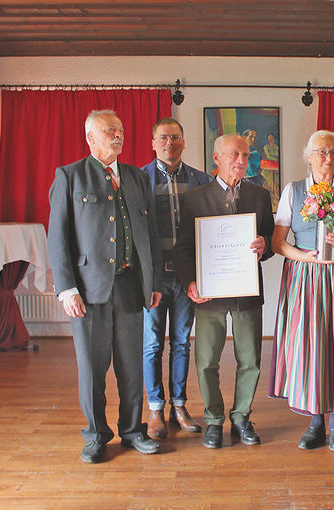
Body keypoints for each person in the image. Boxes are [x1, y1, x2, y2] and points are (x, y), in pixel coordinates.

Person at [48, 109, 163, 463]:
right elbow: (58, 237)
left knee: (131, 365)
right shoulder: (70, 176)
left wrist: (153, 281)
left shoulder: (135, 177)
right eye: (110, 130)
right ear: (90, 138)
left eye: (121, 130)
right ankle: (96, 435)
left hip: (130, 286)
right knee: (93, 367)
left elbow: (150, 232)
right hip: (88, 291)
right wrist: (66, 288)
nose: (118, 135)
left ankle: (132, 430)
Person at [269, 130, 334, 452]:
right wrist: (304, 256)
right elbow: (278, 243)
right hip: (304, 277)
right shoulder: (293, 191)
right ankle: (315, 422)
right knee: (310, 347)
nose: (327, 158)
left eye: (332, 152)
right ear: (309, 156)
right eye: (320, 152)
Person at [173, 134, 275, 449]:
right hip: (209, 294)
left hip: (246, 292)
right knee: (206, 361)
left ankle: (242, 417)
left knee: (251, 360)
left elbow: (270, 240)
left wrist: (264, 245)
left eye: (245, 155)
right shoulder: (195, 197)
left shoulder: (259, 195)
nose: (241, 161)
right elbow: (183, 249)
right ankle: (214, 420)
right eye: (234, 154)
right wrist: (191, 282)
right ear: (216, 158)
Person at [141, 118, 211, 441]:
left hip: (187, 277)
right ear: (153, 142)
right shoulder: (140, 179)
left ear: (184, 142)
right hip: (153, 279)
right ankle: (155, 407)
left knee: (181, 343)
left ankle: (179, 406)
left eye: (176, 137)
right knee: (153, 344)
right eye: (163, 137)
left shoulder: (201, 180)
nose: (170, 142)